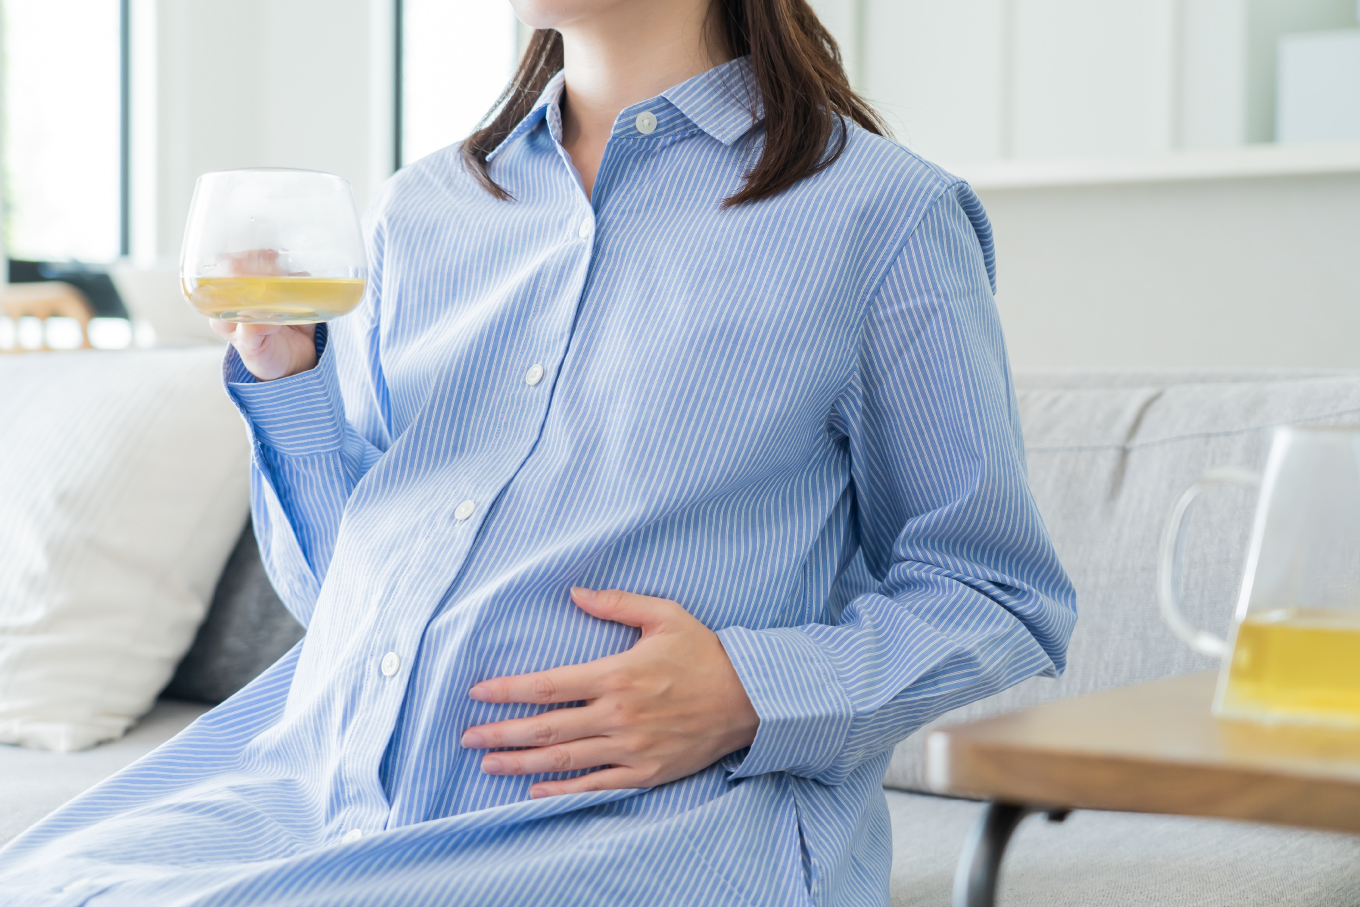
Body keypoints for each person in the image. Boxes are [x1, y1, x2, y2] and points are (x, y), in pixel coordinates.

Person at [0, 0, 1076, 903]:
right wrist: (289, 383)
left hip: (637, 827)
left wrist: (753, 691)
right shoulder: (424, 211)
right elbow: (344, 593)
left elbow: (997, 593)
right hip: (318, 783)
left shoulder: (882, 217)